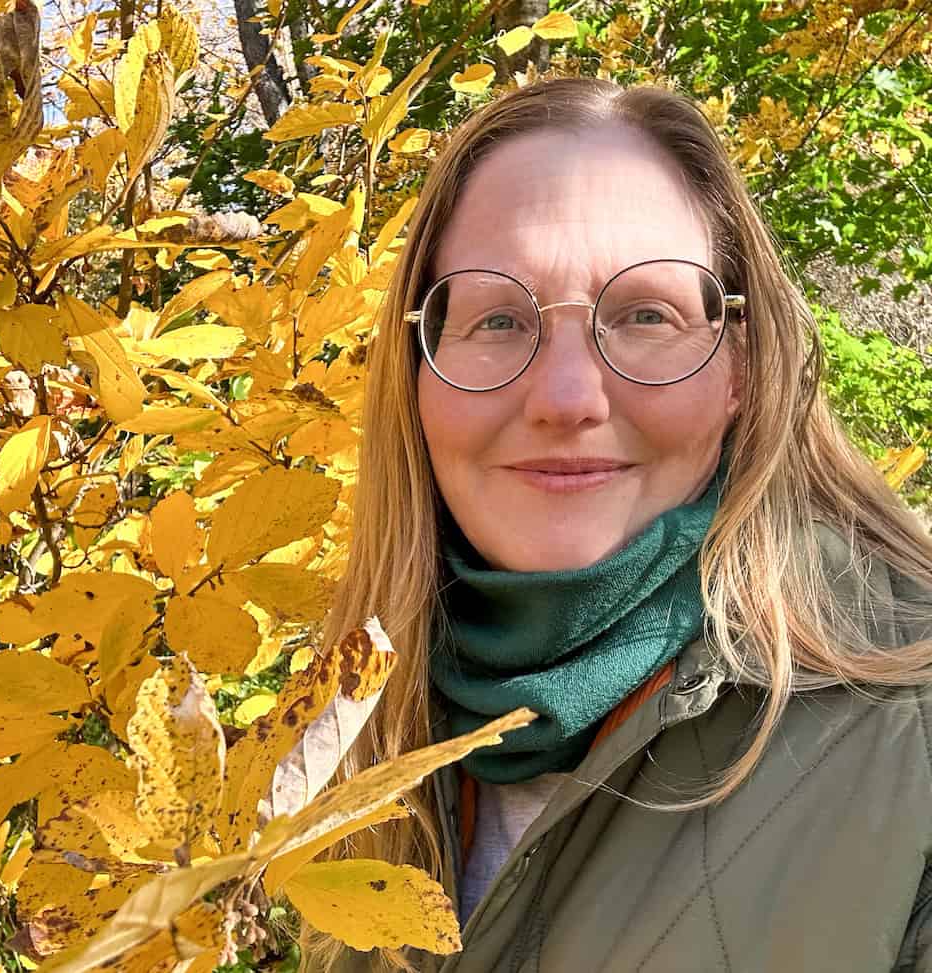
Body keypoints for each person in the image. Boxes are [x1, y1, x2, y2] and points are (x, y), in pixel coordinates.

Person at [298, 77, 932, 972]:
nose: (566, 397)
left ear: (740, 365)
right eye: (498, 317)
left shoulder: (912, 730)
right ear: (417, 374)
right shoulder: (360, 727)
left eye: (645, 315)